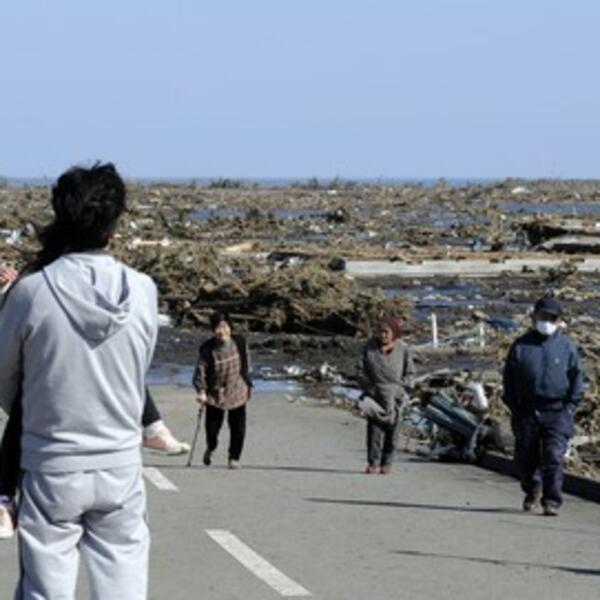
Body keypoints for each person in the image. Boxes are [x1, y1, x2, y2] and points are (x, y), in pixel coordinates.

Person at [0, 163, 156, 598]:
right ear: (115, 220)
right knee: (124, 582)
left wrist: (39, 408)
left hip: (51, 460)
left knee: (45, 586)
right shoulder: (143, 290)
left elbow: (5, 375)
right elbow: (138, 367)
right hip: (120, 460)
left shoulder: (32, 291)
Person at [0, 268, 188, 541]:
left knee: (122, 365)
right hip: (40, 370)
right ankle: (5, 498)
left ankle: (152, 426)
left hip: (77, 365)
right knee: (23, 406)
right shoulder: (33, 286)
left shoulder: (105, 283)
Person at [503, 297, 583, 516]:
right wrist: (514, 405)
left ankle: (552, 501)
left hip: (557, 411)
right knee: (525, 459)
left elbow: (577, 377)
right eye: (542, 317)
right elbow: (509, 378)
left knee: (554, 456)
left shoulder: (567, 347)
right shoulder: (521, 346)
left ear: (558, 320)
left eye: (551, 318)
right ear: (534, 317)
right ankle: (532, 488)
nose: (546, 321)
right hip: (527, 411)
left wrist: (571, 406)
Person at [193, 312, 252, 469]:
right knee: (212, 429)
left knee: (238, 428)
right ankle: (211, 447)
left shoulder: (240, 342)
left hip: (237, 389)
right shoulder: (207, 349)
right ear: (213, 330)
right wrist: (201, 391)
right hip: (215, 393)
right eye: (218, 328)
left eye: (225, 327)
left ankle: (234, 458)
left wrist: (248, 384)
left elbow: (246, 363)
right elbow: (201, 371)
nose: (222, 331)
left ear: (230, 327)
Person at [358, 315, 415, 474]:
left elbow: (410, 373)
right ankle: (373, 462)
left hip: (395, 396)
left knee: (393, 431)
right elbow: (360, 370)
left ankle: (387, 462)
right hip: (375, 394)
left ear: (394, 333)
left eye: (386, 332)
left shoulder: (403, 349)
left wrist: (402, 390)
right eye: (380, 332)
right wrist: (368, 387)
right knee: (374, 431)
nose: (382, 335)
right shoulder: (369, 348)